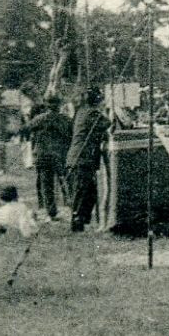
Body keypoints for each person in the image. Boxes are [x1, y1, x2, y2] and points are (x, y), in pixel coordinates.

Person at [65, 86, 110, 234]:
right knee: (82, 191)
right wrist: (106, 110)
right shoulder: (92, 113)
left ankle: (81, 221)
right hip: (81, 158)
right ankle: (77, 222)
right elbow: (107, 123)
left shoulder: (81, 112)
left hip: (80, 157)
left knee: (89, 191)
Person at [23, 97, 72, 220]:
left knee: (47, 185)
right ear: (59, 105)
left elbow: (26, 129)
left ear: (47, 105)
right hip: (59, 155)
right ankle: (72, 207)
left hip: (42, 155)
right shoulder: (65, 119)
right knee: (66, 181)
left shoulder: (39, 119)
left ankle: (51, 212)